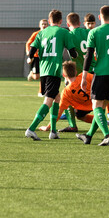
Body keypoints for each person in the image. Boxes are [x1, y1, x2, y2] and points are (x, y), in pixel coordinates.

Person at [76, 5, 109, 146]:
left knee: (96, 106)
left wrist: (84, 76)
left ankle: (107, 136)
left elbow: (88, 56)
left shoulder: (94, 32)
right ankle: (88, 136)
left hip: (101, 73)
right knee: (102, 106)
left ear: (99, 17)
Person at [24, 9, 77, 141]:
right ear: (61, 21)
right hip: (54, 70)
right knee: (48, 101)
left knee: (57, 98)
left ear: (49, 21)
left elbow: (32, 49)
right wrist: (76, 55)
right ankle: (31, 129)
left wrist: (30, 57)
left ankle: (53, 131)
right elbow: (73, 53)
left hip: (44, 70)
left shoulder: (42, 33)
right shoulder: (64, 32)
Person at [38, 61, 109, 133]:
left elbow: (58, 112)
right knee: (100, 86)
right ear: (76, 71)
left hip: (84, 107)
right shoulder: (83, 76)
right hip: (97, 101)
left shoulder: (66, 92)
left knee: (79, 115)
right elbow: (100, 80)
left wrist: (48, 127)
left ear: (63, 75)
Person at [25, 19, 48, 97]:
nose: (44, 25)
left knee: (44, 75)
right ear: (39, 25)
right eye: (42, 24)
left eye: (45, 24)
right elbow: (28, 43)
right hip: (36, 57)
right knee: (36, 77)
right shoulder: (36, 34)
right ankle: (32, 73)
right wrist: (28, 52)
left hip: (45, 57)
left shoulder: (49, 34)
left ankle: (41, 92)